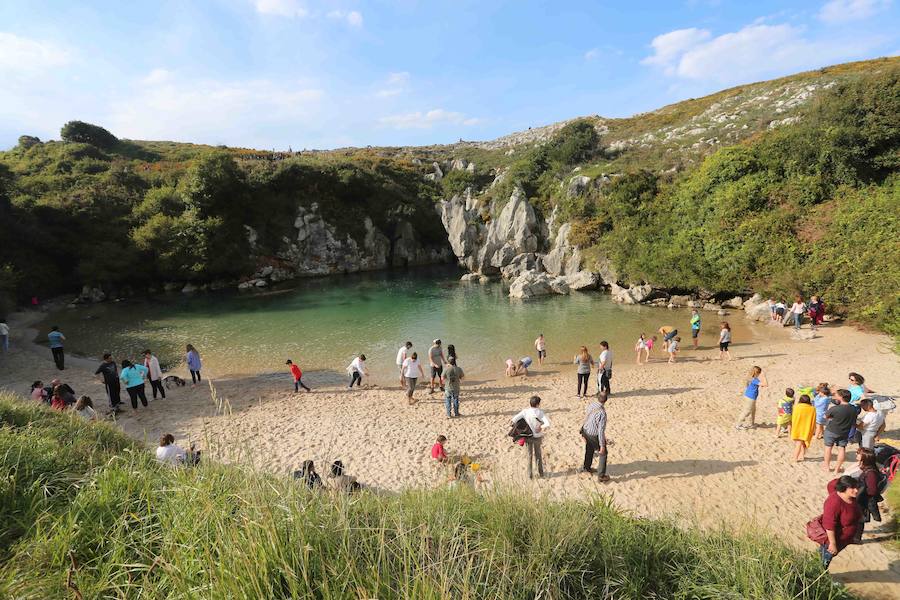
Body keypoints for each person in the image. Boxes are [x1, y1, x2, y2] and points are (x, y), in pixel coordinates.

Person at [819, 476, 862, 568]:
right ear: (844, 488)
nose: (856, 490)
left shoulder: (850, 497)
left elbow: (832, 483)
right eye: (852, 488)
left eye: (857, 487)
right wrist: (832, 544)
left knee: (823, 560)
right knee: (823, 563)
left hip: (843, 539)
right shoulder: (834, 502)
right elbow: (829, 525)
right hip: (832, 541)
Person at [510, 395, 550, 479]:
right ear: (538, 404)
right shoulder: (540, 412)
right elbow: (547, 424)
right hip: (537, 437)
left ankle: (529, 475)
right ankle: (541, 473)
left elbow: (514, 419)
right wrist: (541, 427)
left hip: (528, 436)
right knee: (538, 455)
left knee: (529, 456)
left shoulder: (525, 411)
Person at [823, 389, 856, 475]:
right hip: (844, 432)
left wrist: (831, 418)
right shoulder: (853, 409)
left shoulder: (835, 408)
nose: (835, 396)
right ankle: (837, 469)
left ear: (841, 397)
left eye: (837, 395)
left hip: (831, 430)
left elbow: (825, 416)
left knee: (828, 448)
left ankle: (827, 467)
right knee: (841, 449)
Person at [581, 391, 611, 482]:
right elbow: (600, 430)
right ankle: (601, 476)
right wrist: (602, 445)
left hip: (586, 431)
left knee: (589, 449)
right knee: (604, 453)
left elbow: (587, 417)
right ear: (606, 400)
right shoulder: (602, 413)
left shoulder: (591, 405)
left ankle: (586, 467)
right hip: (594, 434)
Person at [791, 394, 816, 462]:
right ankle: (802, 455)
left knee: (798, 443)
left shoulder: (796, 407)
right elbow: (813, 419)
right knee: (803, 442)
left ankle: (795, 458)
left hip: (797, 427)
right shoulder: (812, 408)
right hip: (806, 428)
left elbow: (793, 417)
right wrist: (813, 429)